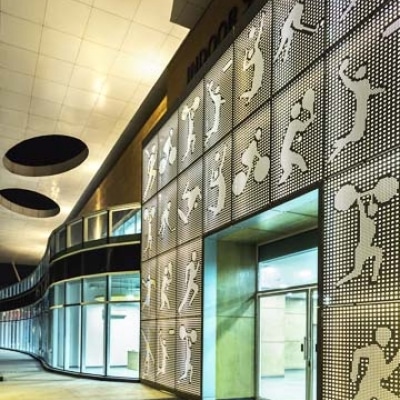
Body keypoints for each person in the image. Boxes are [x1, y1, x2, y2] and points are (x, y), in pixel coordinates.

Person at [329, 58, 385, 162]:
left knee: (354, 136)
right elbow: (347, 81)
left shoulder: (364, 84)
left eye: (363, 71)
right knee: (355, 135)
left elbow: (369, 92)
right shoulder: (357, 85)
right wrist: (341, 72)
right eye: (360, 70)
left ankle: (336, 151)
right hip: (360, 114)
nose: (361, 72)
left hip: (363, 114)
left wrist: (379, 90)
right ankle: (334, 154)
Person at [350, 327, 400, 400]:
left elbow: (384, 373)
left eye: (388, 338)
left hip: (374, 386)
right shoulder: (375, 348)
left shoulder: (379, 351)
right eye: (385, 337)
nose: (387, 340)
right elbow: (357, 352)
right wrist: (354, 373)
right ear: (378, 337)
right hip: (368, 385)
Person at [239, 10, 266, 105]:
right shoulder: (255, 51)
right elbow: (244, 67)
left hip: (258, 78)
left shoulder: (255, 48)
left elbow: (260, 32)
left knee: (254, 90)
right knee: (254, 90)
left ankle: (246, 98)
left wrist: (262, 18)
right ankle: (246, 98)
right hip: (258, 78)